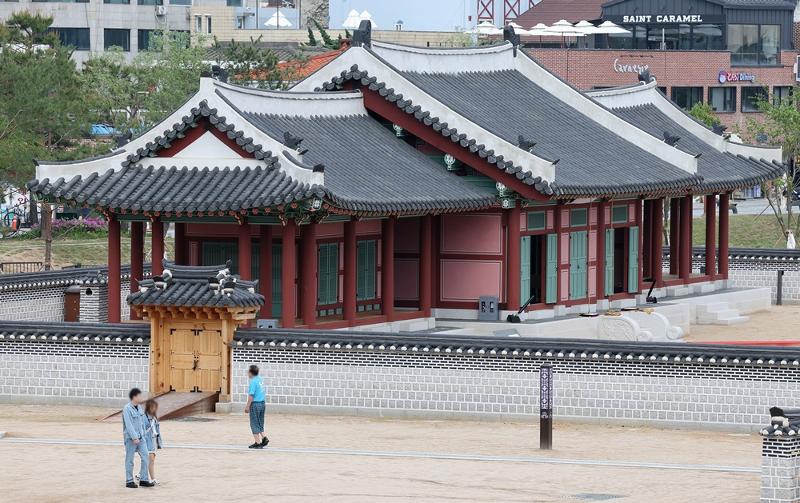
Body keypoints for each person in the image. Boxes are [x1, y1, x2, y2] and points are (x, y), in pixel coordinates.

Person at [123, 388, 154, 488]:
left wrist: (143, 435)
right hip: (131, 439)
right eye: (139, 396)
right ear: (134, 397)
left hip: (141, 438)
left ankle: (144, 479)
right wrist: (134, 437)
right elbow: (129, 425)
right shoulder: (127, 409)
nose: (141, 398)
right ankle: (129, 481)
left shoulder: (140, 407)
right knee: (130, 459)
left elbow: (141, 423)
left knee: (146, 457)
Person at [244, 364, 268, 449]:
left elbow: (251, 395)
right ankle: (264, 437)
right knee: (260, 421)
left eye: (248, 371)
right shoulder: (260, 380)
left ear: (251, 373)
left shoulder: (253, 382)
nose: (247, 373)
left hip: (255, 404)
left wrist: (247, 406)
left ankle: (257, 442)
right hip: (262, 403)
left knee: (254, 422)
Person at [143, 399, 163, 485]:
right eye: (152, 407)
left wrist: (159, 443)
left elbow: (158, 431)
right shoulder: (144, 417)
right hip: (147, 441)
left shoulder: (154, 418)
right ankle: (152, 478)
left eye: (155, 407)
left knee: (151, 459)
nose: (154, 409)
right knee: (150, 459)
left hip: (153, 440)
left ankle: (141, 474)